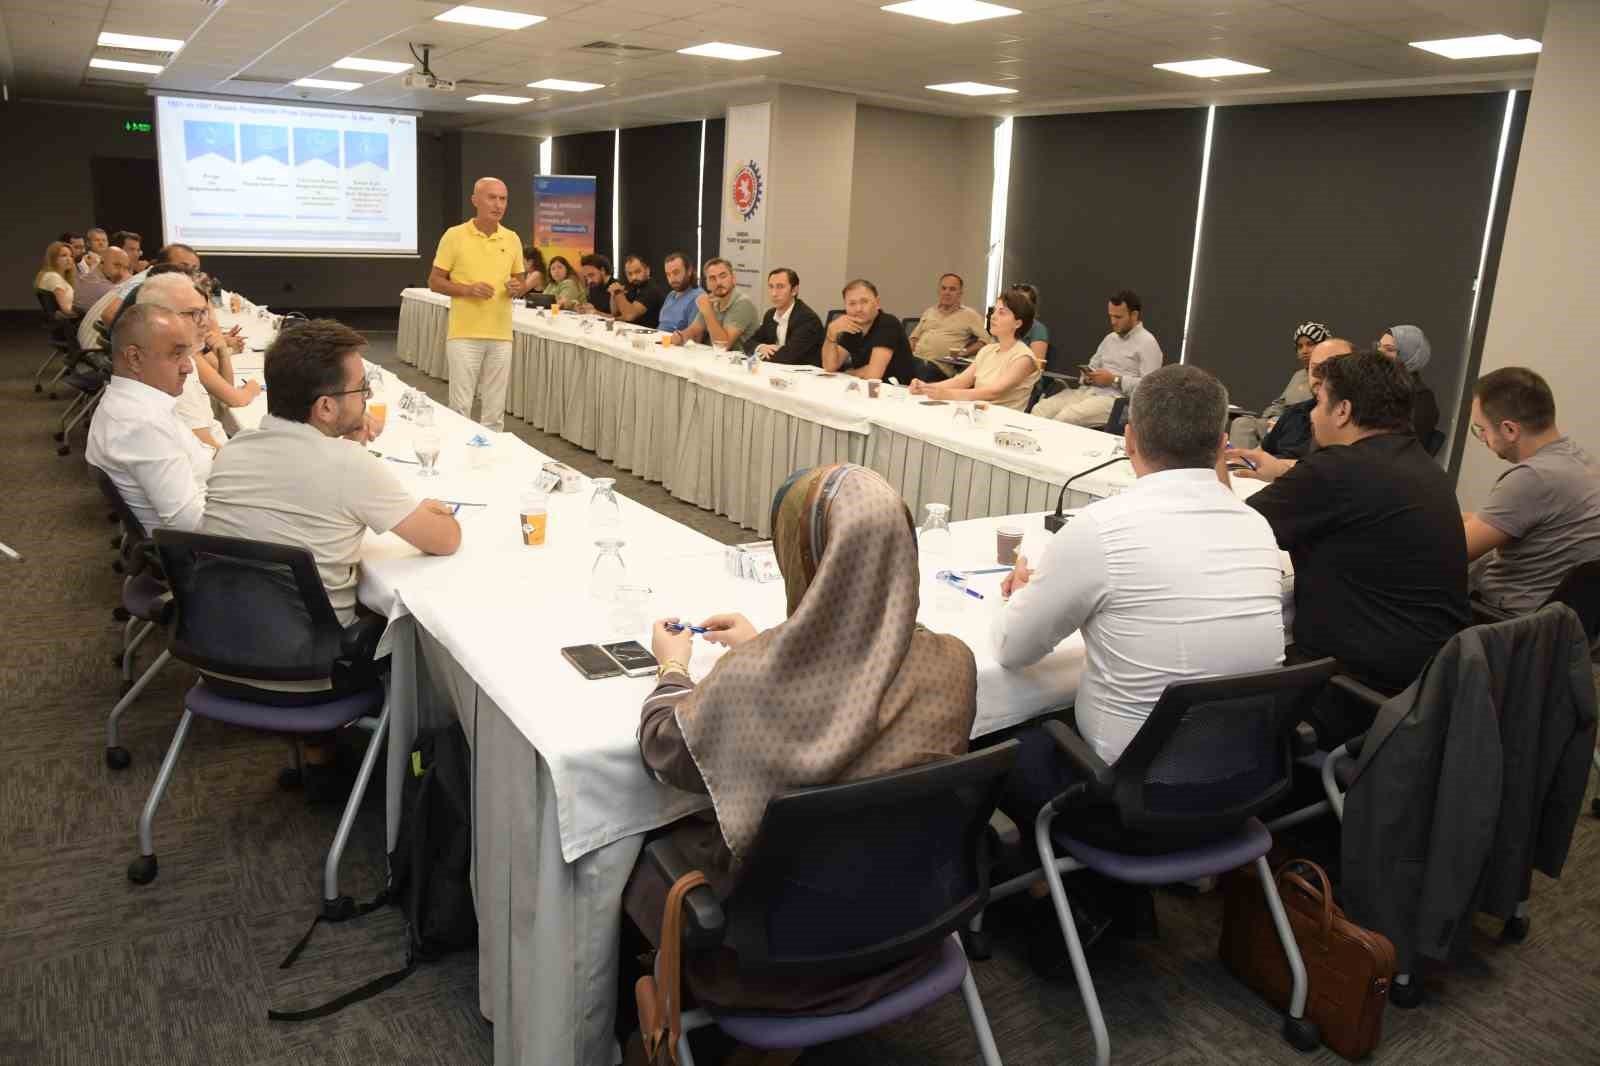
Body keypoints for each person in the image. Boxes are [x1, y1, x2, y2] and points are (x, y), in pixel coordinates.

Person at [624, 463, 976, 1015]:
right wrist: (772, 644)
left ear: (811, 561)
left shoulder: (750, 683)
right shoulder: (954, 661)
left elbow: (664, 748)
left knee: (625, 849)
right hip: (908, 921)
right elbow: (862, 679)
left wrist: (673, 669)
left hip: (768, 958)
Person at [1229, 350, 1470, 713]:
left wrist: (1215, 467)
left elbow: (1230, 534)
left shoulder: (1339, 469)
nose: (1311, 413)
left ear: (1342, 410)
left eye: (1319, 401)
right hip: (1423, 689)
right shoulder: (1423, 466)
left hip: (1352, 688)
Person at [202, 319, 461, 628]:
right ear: (325, 407)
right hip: (303, 657)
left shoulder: (232, 451)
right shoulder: (349, 467)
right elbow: (445, 540)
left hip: (216, 638)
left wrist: (351, 448)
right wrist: (427, 511)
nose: (366, 399)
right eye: (362, 389)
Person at [1463, 367, 1600, 614]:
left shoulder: (1531, 479)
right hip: (1561, 628)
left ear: (1510, 430)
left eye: (1481, 429)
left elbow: (1451, 552)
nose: (1482, 438)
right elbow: (1511, 523)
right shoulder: (1582, 463)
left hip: (1499, 624)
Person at [84, 304, 212, 533]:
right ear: (134, 358)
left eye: (187, 354)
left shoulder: (135, 403)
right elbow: (190, 523)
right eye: (176, 354)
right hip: (213, 553)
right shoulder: (143, 424)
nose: (188, 367)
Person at [428, 176, 529, 433]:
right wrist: (467, 289)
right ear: (475, 200)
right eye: (491, 197)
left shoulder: (512, 238)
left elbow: (520, 280)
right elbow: (435, 281)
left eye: (503, 199)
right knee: (460, 407)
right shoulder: (454, 236)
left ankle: (490, 463)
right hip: (465, 333)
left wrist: (518, 287)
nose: (498, 204)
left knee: (495, 411)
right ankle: (459, 460)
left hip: (501, 333)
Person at [132, 270, 261, 453]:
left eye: (205, 313)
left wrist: (223, 351)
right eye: (195, 314)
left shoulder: (183, 358)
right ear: (159, 318)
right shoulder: (172, 375)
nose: (206, 323)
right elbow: (209, 451)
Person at [1033, 290, 1164, 426]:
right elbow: (1093, 365)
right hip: (1089, 392)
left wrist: (1115, 380)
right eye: (1111, 316)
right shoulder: (1110, 339)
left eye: (1118, 317)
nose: (1113, 322)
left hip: (1116, 400)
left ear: (1134, 315)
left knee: (1065, 417)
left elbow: (1149, 388)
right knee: (1040, 409)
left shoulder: (1148, 343)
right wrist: (1088, 377)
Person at [908, 286, 1042, 410]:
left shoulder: (1024, 358)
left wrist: (947, 394)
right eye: (994, 311)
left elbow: (993, 392)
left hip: (1003, 423)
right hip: (978, 414)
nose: (993, 316)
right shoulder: (987, 350)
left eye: (1002, 313)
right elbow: (961, 381)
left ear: (1018, 323)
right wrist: (925, 387)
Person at [1229, 322, 1329, 450]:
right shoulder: (1298, 376)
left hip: (1305, 427)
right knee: (1242, 423)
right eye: (1299, 346)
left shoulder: (1332, 374)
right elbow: (1280, 404)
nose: (1304, 351)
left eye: (1310, 344)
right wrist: (1269, 417)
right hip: (1281, 423)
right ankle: (1239, 466)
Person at [1260, 335, 1354, 460]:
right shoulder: (1294, 413)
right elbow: (1260, 454)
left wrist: (1281, 467)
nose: (1318, 375)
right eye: (1314, 367)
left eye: (1329, 367)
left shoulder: (1360, 420)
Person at [821, 278, 916, 384]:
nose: (858, 309)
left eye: (864, 302)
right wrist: (831, 334)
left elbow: (873, 375)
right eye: (852, 303)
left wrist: (848, 373)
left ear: (877, 303)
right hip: (867, 390)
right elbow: (830, 367)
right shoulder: (853, 326)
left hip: (898, 392)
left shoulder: (888, 324)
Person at [908, 273, 989, 378]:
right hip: (916, 361)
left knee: (918, 374)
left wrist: (964, 353)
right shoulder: (929, 312)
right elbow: (914, 338)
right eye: (944, 288)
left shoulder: (970, 315)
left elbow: (986, 341)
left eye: (952, 289)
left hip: (939, 367)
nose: (947, 292)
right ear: (938, 291)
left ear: (960, 293)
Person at [668, 257, 759, 350]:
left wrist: (707, 311)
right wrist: (680, 336)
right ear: (707, 283)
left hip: (741, 362)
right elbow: (694, 329)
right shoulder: (712, 300)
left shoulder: (743, 303)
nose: (718, 282)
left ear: (733, 279)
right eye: (712, 278)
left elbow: (722, 346)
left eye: (723, 276)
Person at [745, 267, 823, 366]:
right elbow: (748, 343)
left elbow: (788, 357)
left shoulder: (807, 319)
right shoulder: (770, 315)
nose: (774, 293)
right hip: (777, 371)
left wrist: (759, 354)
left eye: (780, 287)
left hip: (804, 376)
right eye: (771, 287)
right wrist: (761, 347)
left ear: (794, 290)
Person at [1378, 324, 1441, 448]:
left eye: (1389, 349)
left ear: (1409, 356)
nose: (1379, 354)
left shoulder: (1421, 399)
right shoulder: (1379, 385)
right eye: (1379, 348)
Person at [608, 253, 666, 328]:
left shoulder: (652, 289)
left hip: (650, 335)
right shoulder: (632, 286)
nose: (634, 277)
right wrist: (613, 294)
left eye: (638, 272)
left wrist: (618, 292)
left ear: (647, 270)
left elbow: (630, 315)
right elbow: (615, 312)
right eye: (629, 274)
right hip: (632, 331)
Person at [72, 246, 129, 315]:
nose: (121, 272)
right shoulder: (107, 288)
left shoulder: (87, 277)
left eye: (125, 268)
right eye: (117, 265)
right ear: (102, 261)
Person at [657, 251, 702, 334]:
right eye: (668, 274)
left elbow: (694, 337)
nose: (672, 279)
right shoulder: (671, 294)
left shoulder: (699, 297)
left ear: (689, 271)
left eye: (676, 273)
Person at [33, 241, 76, 314]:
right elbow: (65, 310)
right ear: (53, 258)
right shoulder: (53, 277)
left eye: (71, 256)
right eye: (64, 255)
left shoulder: (54, 276)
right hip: (66, 322)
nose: (69, 259)